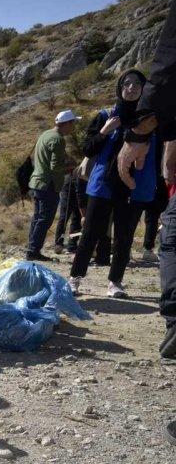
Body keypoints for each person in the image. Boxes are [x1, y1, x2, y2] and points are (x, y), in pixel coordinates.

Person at [116, 0, 175, 357]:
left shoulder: (144, 115)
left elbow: (170, 65)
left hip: (147, 186)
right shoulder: (110, 115)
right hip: (118, 189)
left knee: (172, 236)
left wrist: (140, 131)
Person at [68, 70, 160, 299]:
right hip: (103, 185)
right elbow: (88, 149)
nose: (131, 88)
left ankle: (115, 283)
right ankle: (74, 279)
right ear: (119, 88)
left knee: (124, 236)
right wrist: (104, 131)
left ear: (143, 89)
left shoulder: (149, 120)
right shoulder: (105, 115)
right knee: (89, 233)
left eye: (137, 84)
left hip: (133, 186)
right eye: (126, 84)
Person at [27, 110, 80, 261]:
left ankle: (32, 249)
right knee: (44, 219)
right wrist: (69, 168)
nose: (74, 127)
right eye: (73, 123)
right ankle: (33, 251)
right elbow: (55, 166)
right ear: (67, 124)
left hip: (37, 182)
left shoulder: (45, 134)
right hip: (48, 184)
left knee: (37, 217)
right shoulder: (58, 140)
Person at [53, 165, 86, 255]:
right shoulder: (82, 171)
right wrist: (83, 212)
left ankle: (72, 245)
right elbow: (80, 194)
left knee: (77, 218)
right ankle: (58, 244)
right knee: (64, 217)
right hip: (68, 188)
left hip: (78, 190)